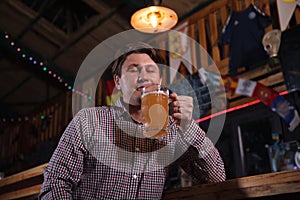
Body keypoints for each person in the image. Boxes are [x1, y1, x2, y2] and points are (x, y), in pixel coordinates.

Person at [39, 42, 226, 199]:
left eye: (151, 70)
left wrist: (188, 126)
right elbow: (55, 183)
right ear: (118, 81)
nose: (144, 76)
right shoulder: (89, 121)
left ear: (160, 80)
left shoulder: (172, 130)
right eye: (133, 70)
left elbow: (216, 178)